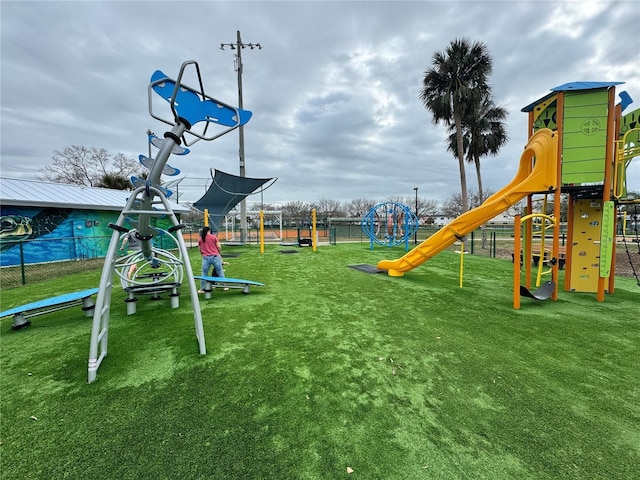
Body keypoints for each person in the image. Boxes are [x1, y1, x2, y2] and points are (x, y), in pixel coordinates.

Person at [197, 226, 226, 293]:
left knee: (204, 273)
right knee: (220, 272)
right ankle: (225, 286)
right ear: (209, 231)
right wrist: (219, 253)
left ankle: (202, 288)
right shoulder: (213, 237)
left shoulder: (200, 238)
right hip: (215, 256)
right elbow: (219, 246)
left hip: (206, 257)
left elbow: (199, 248)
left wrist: (202, 254)